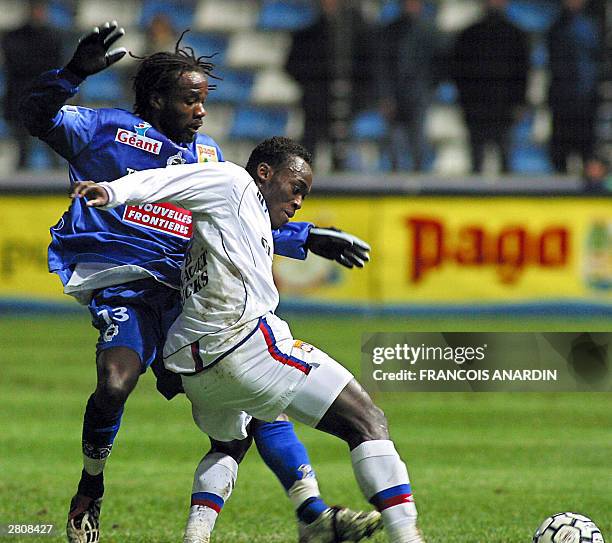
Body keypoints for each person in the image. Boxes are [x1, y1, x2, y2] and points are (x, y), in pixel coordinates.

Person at [20, 23, 376, 543]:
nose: (201, 110)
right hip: (127, 287)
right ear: (158, 98)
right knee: (114, 385)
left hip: (188, 292)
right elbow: (32, 116)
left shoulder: (206, 153)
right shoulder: (101, 128)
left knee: (253, 391)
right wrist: (72, 74)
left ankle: (313, 514)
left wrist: (305, 236)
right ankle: (90, 487)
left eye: (204, 99)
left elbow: (241, 220)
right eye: (190, 99)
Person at [72, 136, 425, 543]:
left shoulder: (241, 215)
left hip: (197, 367)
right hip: (245, 343)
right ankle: (407, 537)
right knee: (367, 421)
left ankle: (197, 536)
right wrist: (113, 191)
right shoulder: (231, 182)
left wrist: (308, 236)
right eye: (297, 189)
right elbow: (170, 180)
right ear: (264, 174)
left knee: (229, 445)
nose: (298, 202)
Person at [285, 0, 372, 171]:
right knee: (309, 150)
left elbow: (367, 69)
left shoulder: (355, 33)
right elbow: (292, 66)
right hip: (315, 104)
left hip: (344, 106)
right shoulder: (308, 35)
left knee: (341, 151)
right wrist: (312, 84)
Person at [451, 0, 529, 173]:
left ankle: (510, 200)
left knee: (506, 164)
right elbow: (459, 72)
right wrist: (465, 102)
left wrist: (520, 102)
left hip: (505, 109)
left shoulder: (515, 34)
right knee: (476, 164)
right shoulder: (469, 34)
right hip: (476, 109)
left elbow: (522, 73)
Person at [376, 0, 441, 172]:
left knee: (418, 141)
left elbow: (438, 64)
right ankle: (394, 182)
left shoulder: (429, 32)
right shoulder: (389, 31)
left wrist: (429, 90)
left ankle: (419, 181)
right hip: (394, 97)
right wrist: (385, 96)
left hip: (419, 96)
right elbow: (382, 66)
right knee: (394, 143)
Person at [1, 0, 62, 169]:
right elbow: (15, 64)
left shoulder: (53, 37)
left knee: (54, 151)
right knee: (23, 152)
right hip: (19, 102)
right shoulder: (13, 37)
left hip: (46, 103)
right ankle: (21, 191)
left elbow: (55, 67)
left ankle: (61, 190)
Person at [547, 0, 602, 174]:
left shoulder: (590, 27)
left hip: (586, 103)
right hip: (562, 104)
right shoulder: (556, 27)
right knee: (560, 158)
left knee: (588, 156)